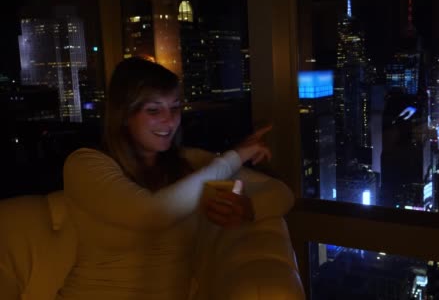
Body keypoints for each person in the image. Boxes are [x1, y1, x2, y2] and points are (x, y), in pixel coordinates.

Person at [57, 57, 294, 300]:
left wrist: (249, 209)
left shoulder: (188, 164)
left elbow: (281, 193)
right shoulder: (85, 164)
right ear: (124, 114)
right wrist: (235, 156)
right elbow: (152, 213)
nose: (169, 121)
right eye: (153, 110)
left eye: (175, 107)